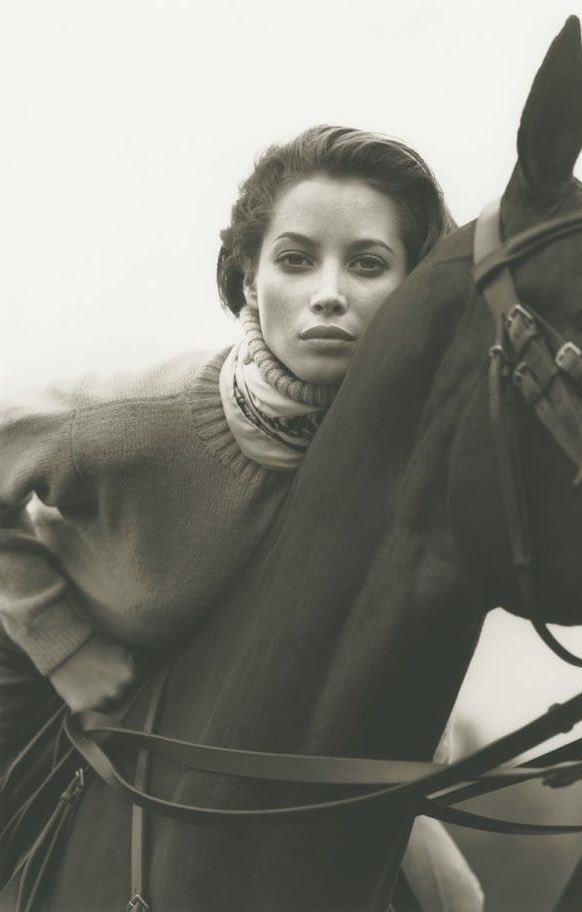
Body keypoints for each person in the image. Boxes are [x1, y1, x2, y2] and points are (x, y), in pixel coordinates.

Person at [0, 124, 481, 910]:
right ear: (249, 280)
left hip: (243, 711)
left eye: (367, 264)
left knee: (453, 898)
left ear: (413, 289)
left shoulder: (405, 464)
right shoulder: (134, 421)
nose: (329, 292)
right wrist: (66, 649)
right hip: (48, 663)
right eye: (296, 260)